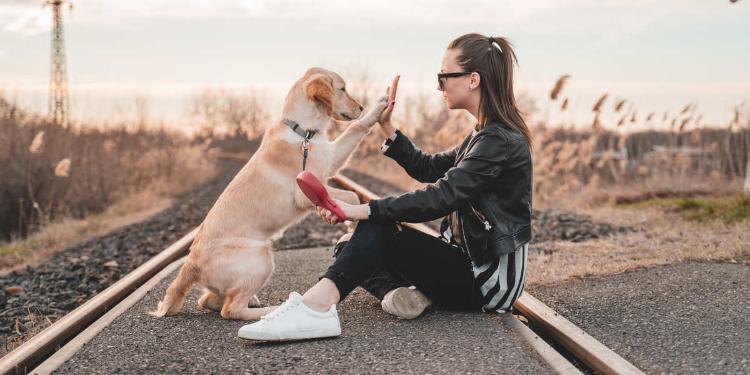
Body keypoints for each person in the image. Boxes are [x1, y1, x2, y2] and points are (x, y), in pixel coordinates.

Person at [238, 33, 533, 342]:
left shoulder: (498, 141)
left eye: (443, 76)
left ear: (473, 79)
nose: (438, 85)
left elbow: (441, 197)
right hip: (466, 264)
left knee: (373, 230)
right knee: (349, 246)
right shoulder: (483, 135)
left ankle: (315, 307)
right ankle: (397, 295)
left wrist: (362, 209)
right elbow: (428, 168)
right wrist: (387, 126)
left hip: (486, 282)